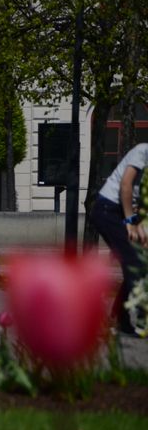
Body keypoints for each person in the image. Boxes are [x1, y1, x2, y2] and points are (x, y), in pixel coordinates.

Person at [91, 142, 148, 335]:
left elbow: (141, 200)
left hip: (122, 213)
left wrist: (140, 227)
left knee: (138, 263)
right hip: (108, 210)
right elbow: (126, 186)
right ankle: (140, 319)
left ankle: (119, 317)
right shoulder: (142, 151)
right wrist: (130, 221)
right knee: (134, 263)